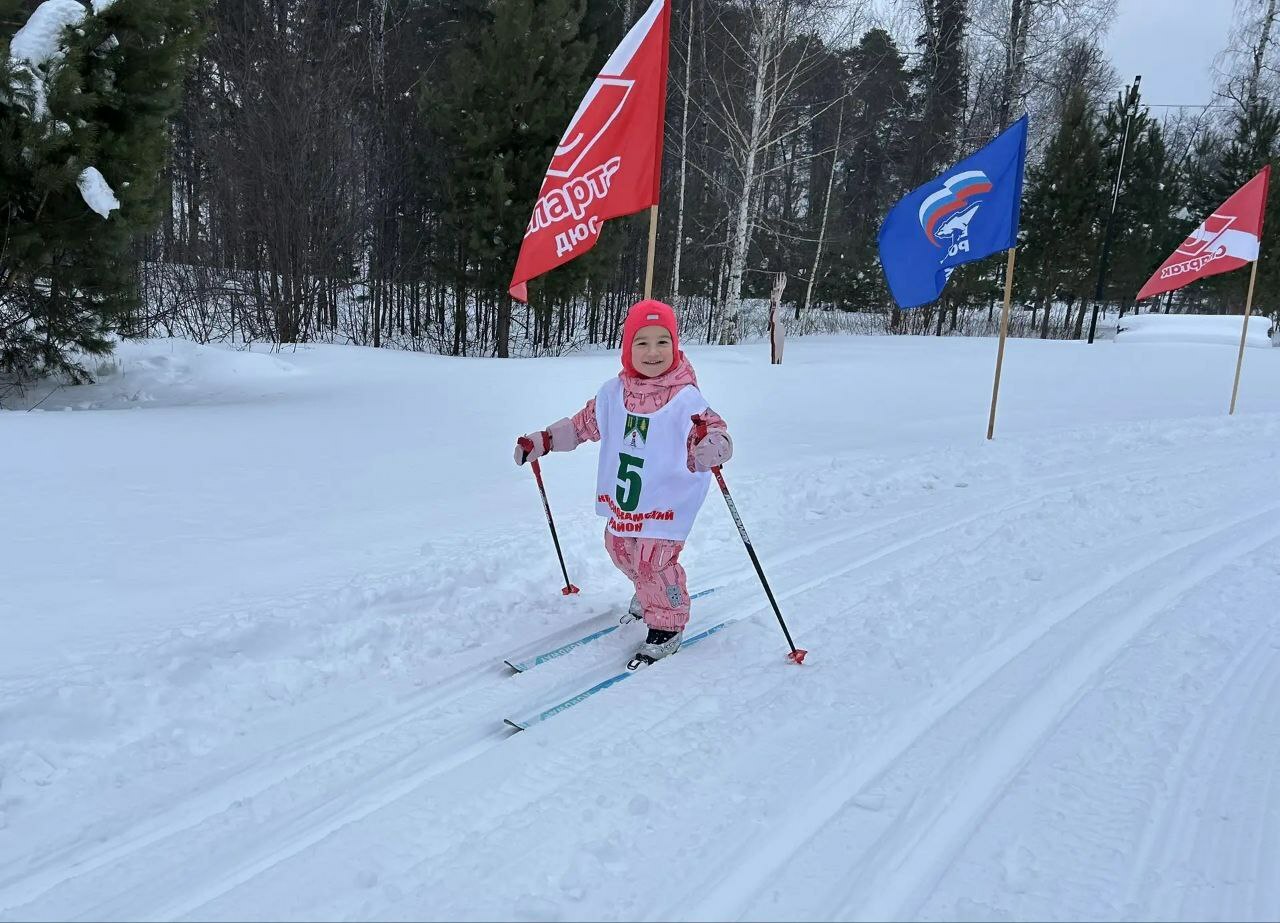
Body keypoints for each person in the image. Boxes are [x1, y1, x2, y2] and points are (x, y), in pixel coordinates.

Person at [514, 299, 733, 665]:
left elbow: (710, 427)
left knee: (652, 559)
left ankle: (669, 620)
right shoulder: (613, 394)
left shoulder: (685, 397)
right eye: (641, 342)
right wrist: (543, 441)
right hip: (630, 497)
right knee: (618, 547)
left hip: (667, 498)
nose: (652, 352)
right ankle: (650, 591)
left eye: (662, 342)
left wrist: (714, 444)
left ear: (675, 345)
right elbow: (582, 426)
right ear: (628, 348)